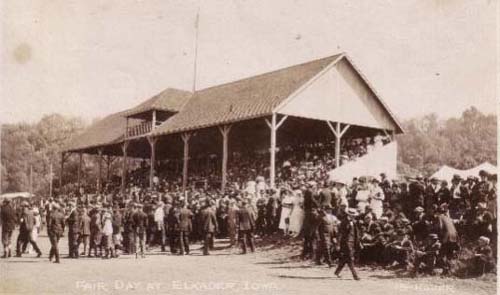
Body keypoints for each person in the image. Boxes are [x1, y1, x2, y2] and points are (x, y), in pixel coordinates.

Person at [334, 208, 360, 280]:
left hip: (352, 242)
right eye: (352, 215)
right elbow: (340, 234)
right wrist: (338, 244)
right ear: (349, 215)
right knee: (350, 258)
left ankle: (337, 272)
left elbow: (356, 233)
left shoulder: (354, 222)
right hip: (346, 243)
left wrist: (358, 242)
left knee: (345, 259)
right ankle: (355, 275)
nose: (354, 216)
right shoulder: (344, 222)